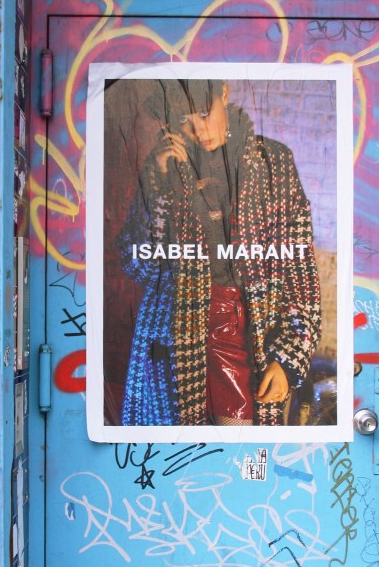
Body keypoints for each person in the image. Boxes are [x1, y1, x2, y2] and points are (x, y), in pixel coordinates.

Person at [115, 78, 321, 427]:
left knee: (239, 450)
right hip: (173, 338)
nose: (199, 129)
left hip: (248, 337)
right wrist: (160, 191)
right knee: (173, 455)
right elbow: (139, 266)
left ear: (223, 93)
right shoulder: (163, 166)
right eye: (184, 119)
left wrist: (288, 357)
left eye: (204, 112)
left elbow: (300, 275)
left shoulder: (272, 162)